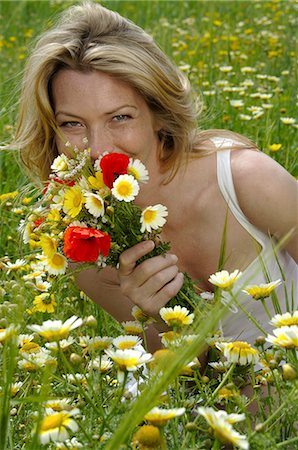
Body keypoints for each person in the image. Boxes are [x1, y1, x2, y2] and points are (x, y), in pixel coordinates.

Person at [7, 1, 298, 351]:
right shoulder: (85, 250)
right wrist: (160, 317)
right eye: (72, 123)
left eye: (120, 117)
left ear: (158, 114)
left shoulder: (245, 179)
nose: (98, 149)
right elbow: (189, 383)